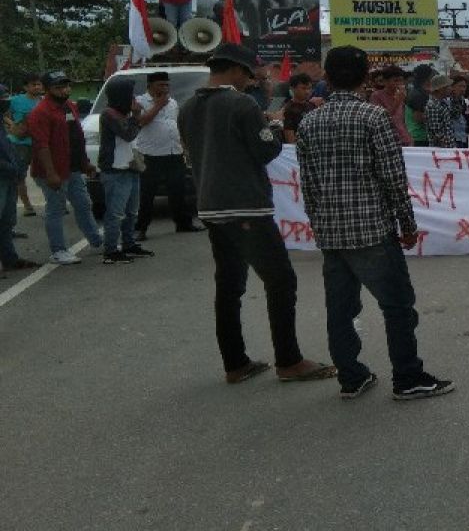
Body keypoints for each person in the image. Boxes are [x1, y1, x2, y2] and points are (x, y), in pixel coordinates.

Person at [295, 46, 452, 401]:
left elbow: (308, 183)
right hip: (372, 231)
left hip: (332, 234)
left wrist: (319, 225)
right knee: (397, 307)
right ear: (367, 76)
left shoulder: (309, 121)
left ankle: (351, 377)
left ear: (327, 78)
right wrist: (407, 225)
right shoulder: (372, 117)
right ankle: (408, 378)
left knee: (340, 311)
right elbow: (393, 177)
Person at [177, 43, 335, 385]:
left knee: (229, 285)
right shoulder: (240, 103)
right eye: (250, 76)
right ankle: (289, 360)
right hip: (245, 204)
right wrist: (274, 131)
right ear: (236, 70)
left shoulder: (187, 107)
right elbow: (265, 150)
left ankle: (235, 363)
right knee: (280, 280)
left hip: (210, 205)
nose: (252, 82)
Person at [27, 71, 104, 264]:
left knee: (83, 204)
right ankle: (58, 251)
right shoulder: (41, 112)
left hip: (72, 168)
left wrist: (84, 162)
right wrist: (51, 174)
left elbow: (76, 137)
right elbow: (41, 145)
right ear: (47, 90)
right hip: (51, 171)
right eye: (59, 87)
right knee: (56, 209)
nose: (65, 90)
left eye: (66, 86)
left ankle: (96, 241)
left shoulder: (69, 106)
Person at [134, 71, 201, 241]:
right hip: (151, 154)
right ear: (150, 86)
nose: (165, 88)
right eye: (160, 85)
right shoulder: (140, 101)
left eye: (166, 85)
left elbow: (176, 125)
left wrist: (184, 147)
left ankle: (183, 223)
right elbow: (140, 122)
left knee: (178, 190)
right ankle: (140, 228)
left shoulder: (172, 102)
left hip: (174, 152)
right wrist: (157, 105)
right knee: (147, 194)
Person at [97, 79, 154, 264]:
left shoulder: (123, 113)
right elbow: (128, 134)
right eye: (130, 94)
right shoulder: (109, 114)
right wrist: (136, 115)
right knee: (115, 213)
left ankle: (129, 244)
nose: (134, 98)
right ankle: (111, 251)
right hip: (115, 170)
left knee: (131, 211)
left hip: (130, 167)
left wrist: (133, 115)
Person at [0, 85, 39, 274]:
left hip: (8, 178)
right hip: (3, 176)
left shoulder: (3, 122)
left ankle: (10, 259)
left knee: (6, 221)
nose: (6, 102)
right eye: (3, 98)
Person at [3, 73, 42, 217]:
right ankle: (27, 206)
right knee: (19, 176)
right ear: (26, 87)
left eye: (39, 84)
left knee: (44, 174)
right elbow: (4, 114)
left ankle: (56, 203)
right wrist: (12, 125)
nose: (37, 87)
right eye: (34, 84)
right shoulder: (15, 100)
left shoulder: (43, 101)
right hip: (20, 144)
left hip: (40, 143)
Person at [368, 65, 413, 145]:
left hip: (403, 138)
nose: (399, 84)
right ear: (385, 81)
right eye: (395, 80)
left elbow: (402, 120)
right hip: (387, 140)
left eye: (401, 80)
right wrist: (397, 102)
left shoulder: (400, 95)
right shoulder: (376, 96)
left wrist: (409, 137)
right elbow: (381, 118)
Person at [281, 73, 317, 144]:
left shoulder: (312, 106)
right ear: (292, 88)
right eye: (303, 88)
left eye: (309, 88)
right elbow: (290, 139)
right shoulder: (289, 109)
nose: (307, 92)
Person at [405, 64, 434, 146]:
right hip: (419, 136)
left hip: (419, 135)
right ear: (428, 77)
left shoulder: (417, 91)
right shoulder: (418, 95)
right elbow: (418, 117)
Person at [424, 75, 456, 148]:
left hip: (447, 147)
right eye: (448, 87)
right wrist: (447, 148)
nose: (451, 89)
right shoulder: (433, 106)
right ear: (441, 89)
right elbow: (437, 133)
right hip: (441, 150)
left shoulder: (443, 102)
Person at [449, 77, 469, 148]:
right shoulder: (448, 100)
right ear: (452, 87)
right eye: (460, 86)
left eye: (464, 86)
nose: (462, 89)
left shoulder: (463, 100)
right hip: (452, 136)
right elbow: (455, 115)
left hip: (462, 135)